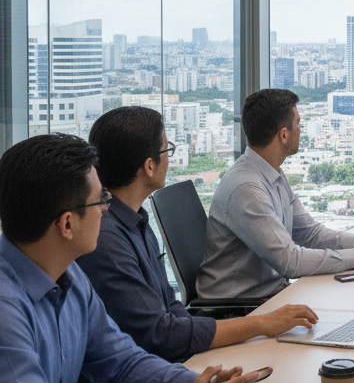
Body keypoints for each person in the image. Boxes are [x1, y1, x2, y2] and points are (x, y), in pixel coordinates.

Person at [0, 133, 259, 383]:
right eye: (100, 199)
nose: (107, 208)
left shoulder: (68, 275)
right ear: (67, 224)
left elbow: (122, 362)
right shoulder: (6, 310)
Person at [78, 106, 320, 361]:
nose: (169, 158)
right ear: (149, 166)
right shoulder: (106, 239)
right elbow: (159, 335)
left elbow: (170, 308)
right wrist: (261, 324)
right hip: (150, 367)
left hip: (170, 356)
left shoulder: (135, 220)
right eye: (166, 150)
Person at [197, 89, 354, 302]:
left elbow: (309, 233)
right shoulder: (247, 189)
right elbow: (290, 262)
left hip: (270, 294)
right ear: (284, 134)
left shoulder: (271, 173)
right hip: (239, 306)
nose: (301, 130)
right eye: (298, 123)